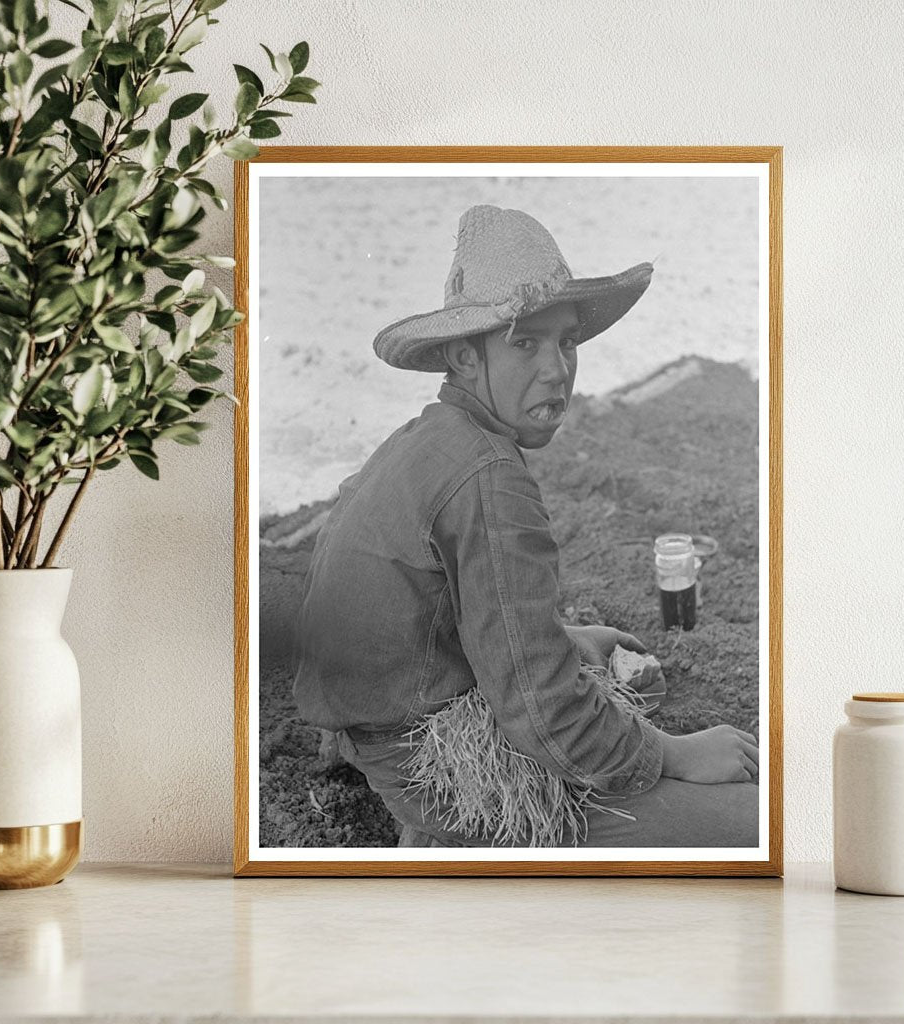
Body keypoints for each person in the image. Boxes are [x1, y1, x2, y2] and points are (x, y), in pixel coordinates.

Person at [293, 204, 758, 848]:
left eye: (566, 342)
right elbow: (542, 711)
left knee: (608, 669)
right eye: (525, 343)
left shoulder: (426, 441)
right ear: (464, 357)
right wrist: (673, 755)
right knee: (755, 822)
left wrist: (570, 640)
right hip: (438, 772)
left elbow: (432, 614)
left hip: (382, 722)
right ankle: (452, 847)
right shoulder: (489, 476)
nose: (557, 369)